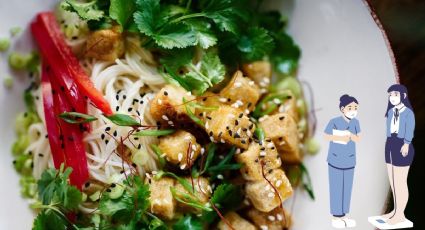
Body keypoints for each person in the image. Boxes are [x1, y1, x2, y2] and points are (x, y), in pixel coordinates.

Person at [380, 84, 415, 225]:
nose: (392, 98)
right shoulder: (390, 112)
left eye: (395, 94)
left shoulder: (408, 113)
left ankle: (400, 214)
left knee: (400, 182)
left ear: (403, 96)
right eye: (390, 95)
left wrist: (406, 144)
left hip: (402, 145)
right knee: (393, 182)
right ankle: (394, 211)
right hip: (390, 144)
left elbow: (410, 129)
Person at [324, 94, 361, 228]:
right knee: (336, 187)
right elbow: (326, 136)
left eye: (355, 108)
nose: (353, 110)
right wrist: (339, 137)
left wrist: (351, 136)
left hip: (350, 160)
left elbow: (358, 139)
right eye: (350, 107)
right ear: (342, 109)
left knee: (347, 188)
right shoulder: (334, 121)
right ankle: (336, 217)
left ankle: (344, 215)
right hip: (335, 159)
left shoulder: (356, 122)